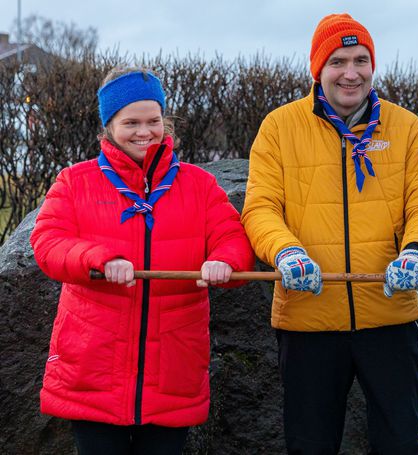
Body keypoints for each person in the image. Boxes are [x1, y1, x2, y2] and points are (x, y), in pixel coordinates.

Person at [241, 13, 418, 454]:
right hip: (308, 317)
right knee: (309, 444)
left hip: (390, 315)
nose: (351, 73)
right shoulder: (279, 127)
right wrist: (285, 252)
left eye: (361, 60)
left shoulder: (406, 127)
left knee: (400, 440)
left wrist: (415, 251)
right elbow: (259, 208)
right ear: (318, 68)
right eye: (337, 61)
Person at [30, 67, 255, 455]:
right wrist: (98, 258)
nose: (144, 132)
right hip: (93, 370)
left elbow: (232, 238)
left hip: (174, 369)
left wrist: (225, 262)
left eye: (153, 121)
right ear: (108, 126)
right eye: (130, 122)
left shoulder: (200, 186)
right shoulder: (75, 181)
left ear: (165, 122)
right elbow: (48, 243)